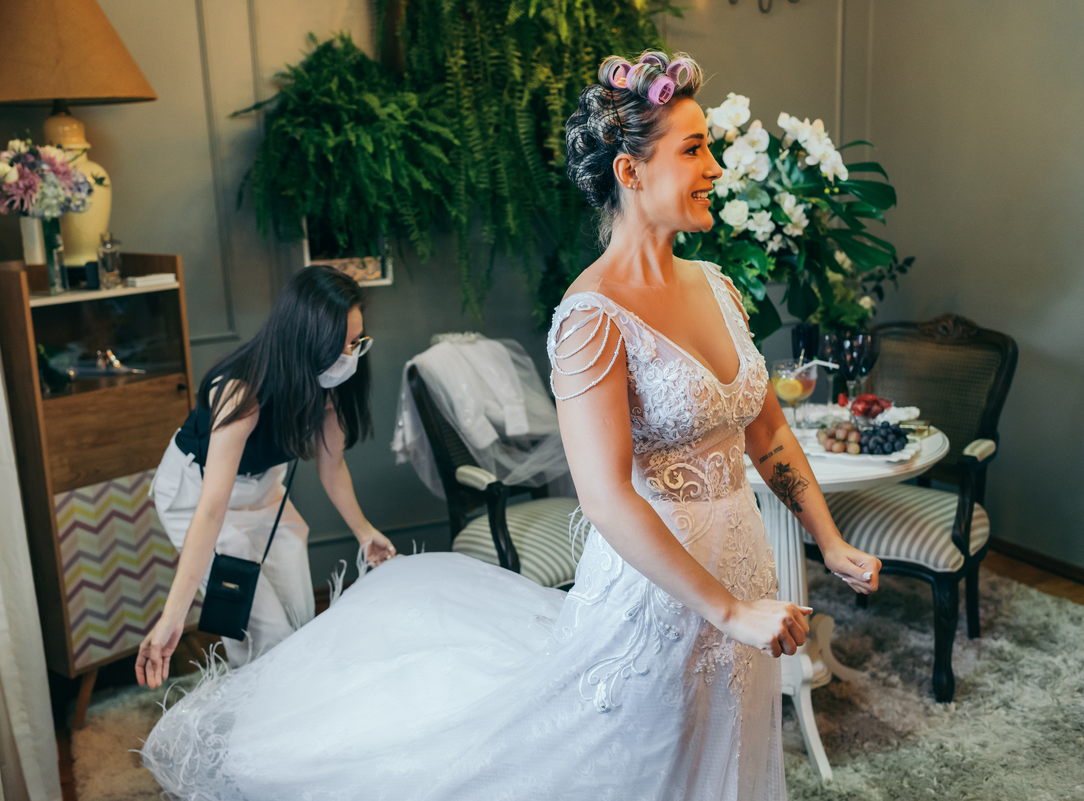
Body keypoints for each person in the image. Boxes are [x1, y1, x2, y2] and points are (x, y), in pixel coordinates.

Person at [140, 51, 882, 800]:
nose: (716, 168)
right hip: (657, 587)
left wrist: (829, 537)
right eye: (694, 149)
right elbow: (605, 498)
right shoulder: (591, 318)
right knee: (641, 760)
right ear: (629, 173)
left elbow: (771, 437)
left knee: (727, 747)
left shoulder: (719, 288)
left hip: (747, 562)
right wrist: (728, 610)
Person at [136, 265, 396, 685]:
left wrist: (366, 533)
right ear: (308, 340)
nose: (352, 355)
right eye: (344, 344)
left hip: (262, 491)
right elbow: (211, 511)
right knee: (266, 636)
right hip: (197, 494)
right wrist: (172, 617)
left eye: (357, 341)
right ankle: (261, 737)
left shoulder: (329, 383)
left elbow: (332, 468)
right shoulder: (239, 392)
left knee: (300, 618)